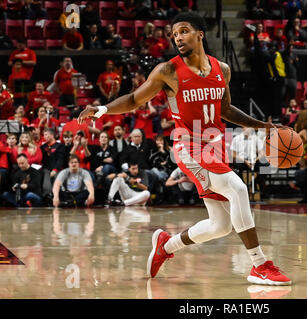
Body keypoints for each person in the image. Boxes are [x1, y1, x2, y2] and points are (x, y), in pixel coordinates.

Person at [78, 12, 292, 285]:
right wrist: (102, 109)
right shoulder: (167, 70)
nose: (177, 37)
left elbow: (225, 110)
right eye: (174, 34)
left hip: (215, 146)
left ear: (200, 33)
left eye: (183, 31)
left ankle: (166, 246)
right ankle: (260, 265)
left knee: (220, 226)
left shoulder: (221, 69)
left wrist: (261, 125)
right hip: (189, 146)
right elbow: (134, 98)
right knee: (238, 188)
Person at [40, 128, 65, 199]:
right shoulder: (42, 147)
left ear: (52, 135)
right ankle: (47, 197)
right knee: (46, 182)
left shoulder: (60, 146)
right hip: (46, 169)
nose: (44, 137)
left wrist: (55, 169)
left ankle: (57, 197)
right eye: (44, 135)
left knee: (57, 179)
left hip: (57, 169)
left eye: (46, 135)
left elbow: (61, 160)